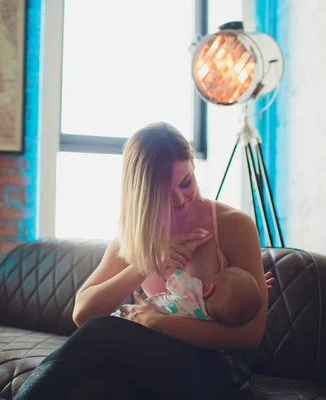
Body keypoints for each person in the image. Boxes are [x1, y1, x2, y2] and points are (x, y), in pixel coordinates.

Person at [14, 122, 275, 400]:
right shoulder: (133, 235)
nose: (180, 199)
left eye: (186, 182)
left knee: (101, 334)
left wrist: (157, 322)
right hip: (156, 361)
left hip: (220, 368)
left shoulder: (234, 225)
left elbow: (250, 335)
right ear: (142, 192)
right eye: (164, 192)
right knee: (96, 382)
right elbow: (83, 313)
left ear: (194, 168)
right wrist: (146, 263)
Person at [112, 255, 263, 328]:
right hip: (150, 333)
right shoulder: (210, 320)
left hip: (133, 319)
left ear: (209, 290)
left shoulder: (191, 291)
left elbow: (168, 270)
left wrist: (163, 255)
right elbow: (235, 298)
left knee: (104, 325)